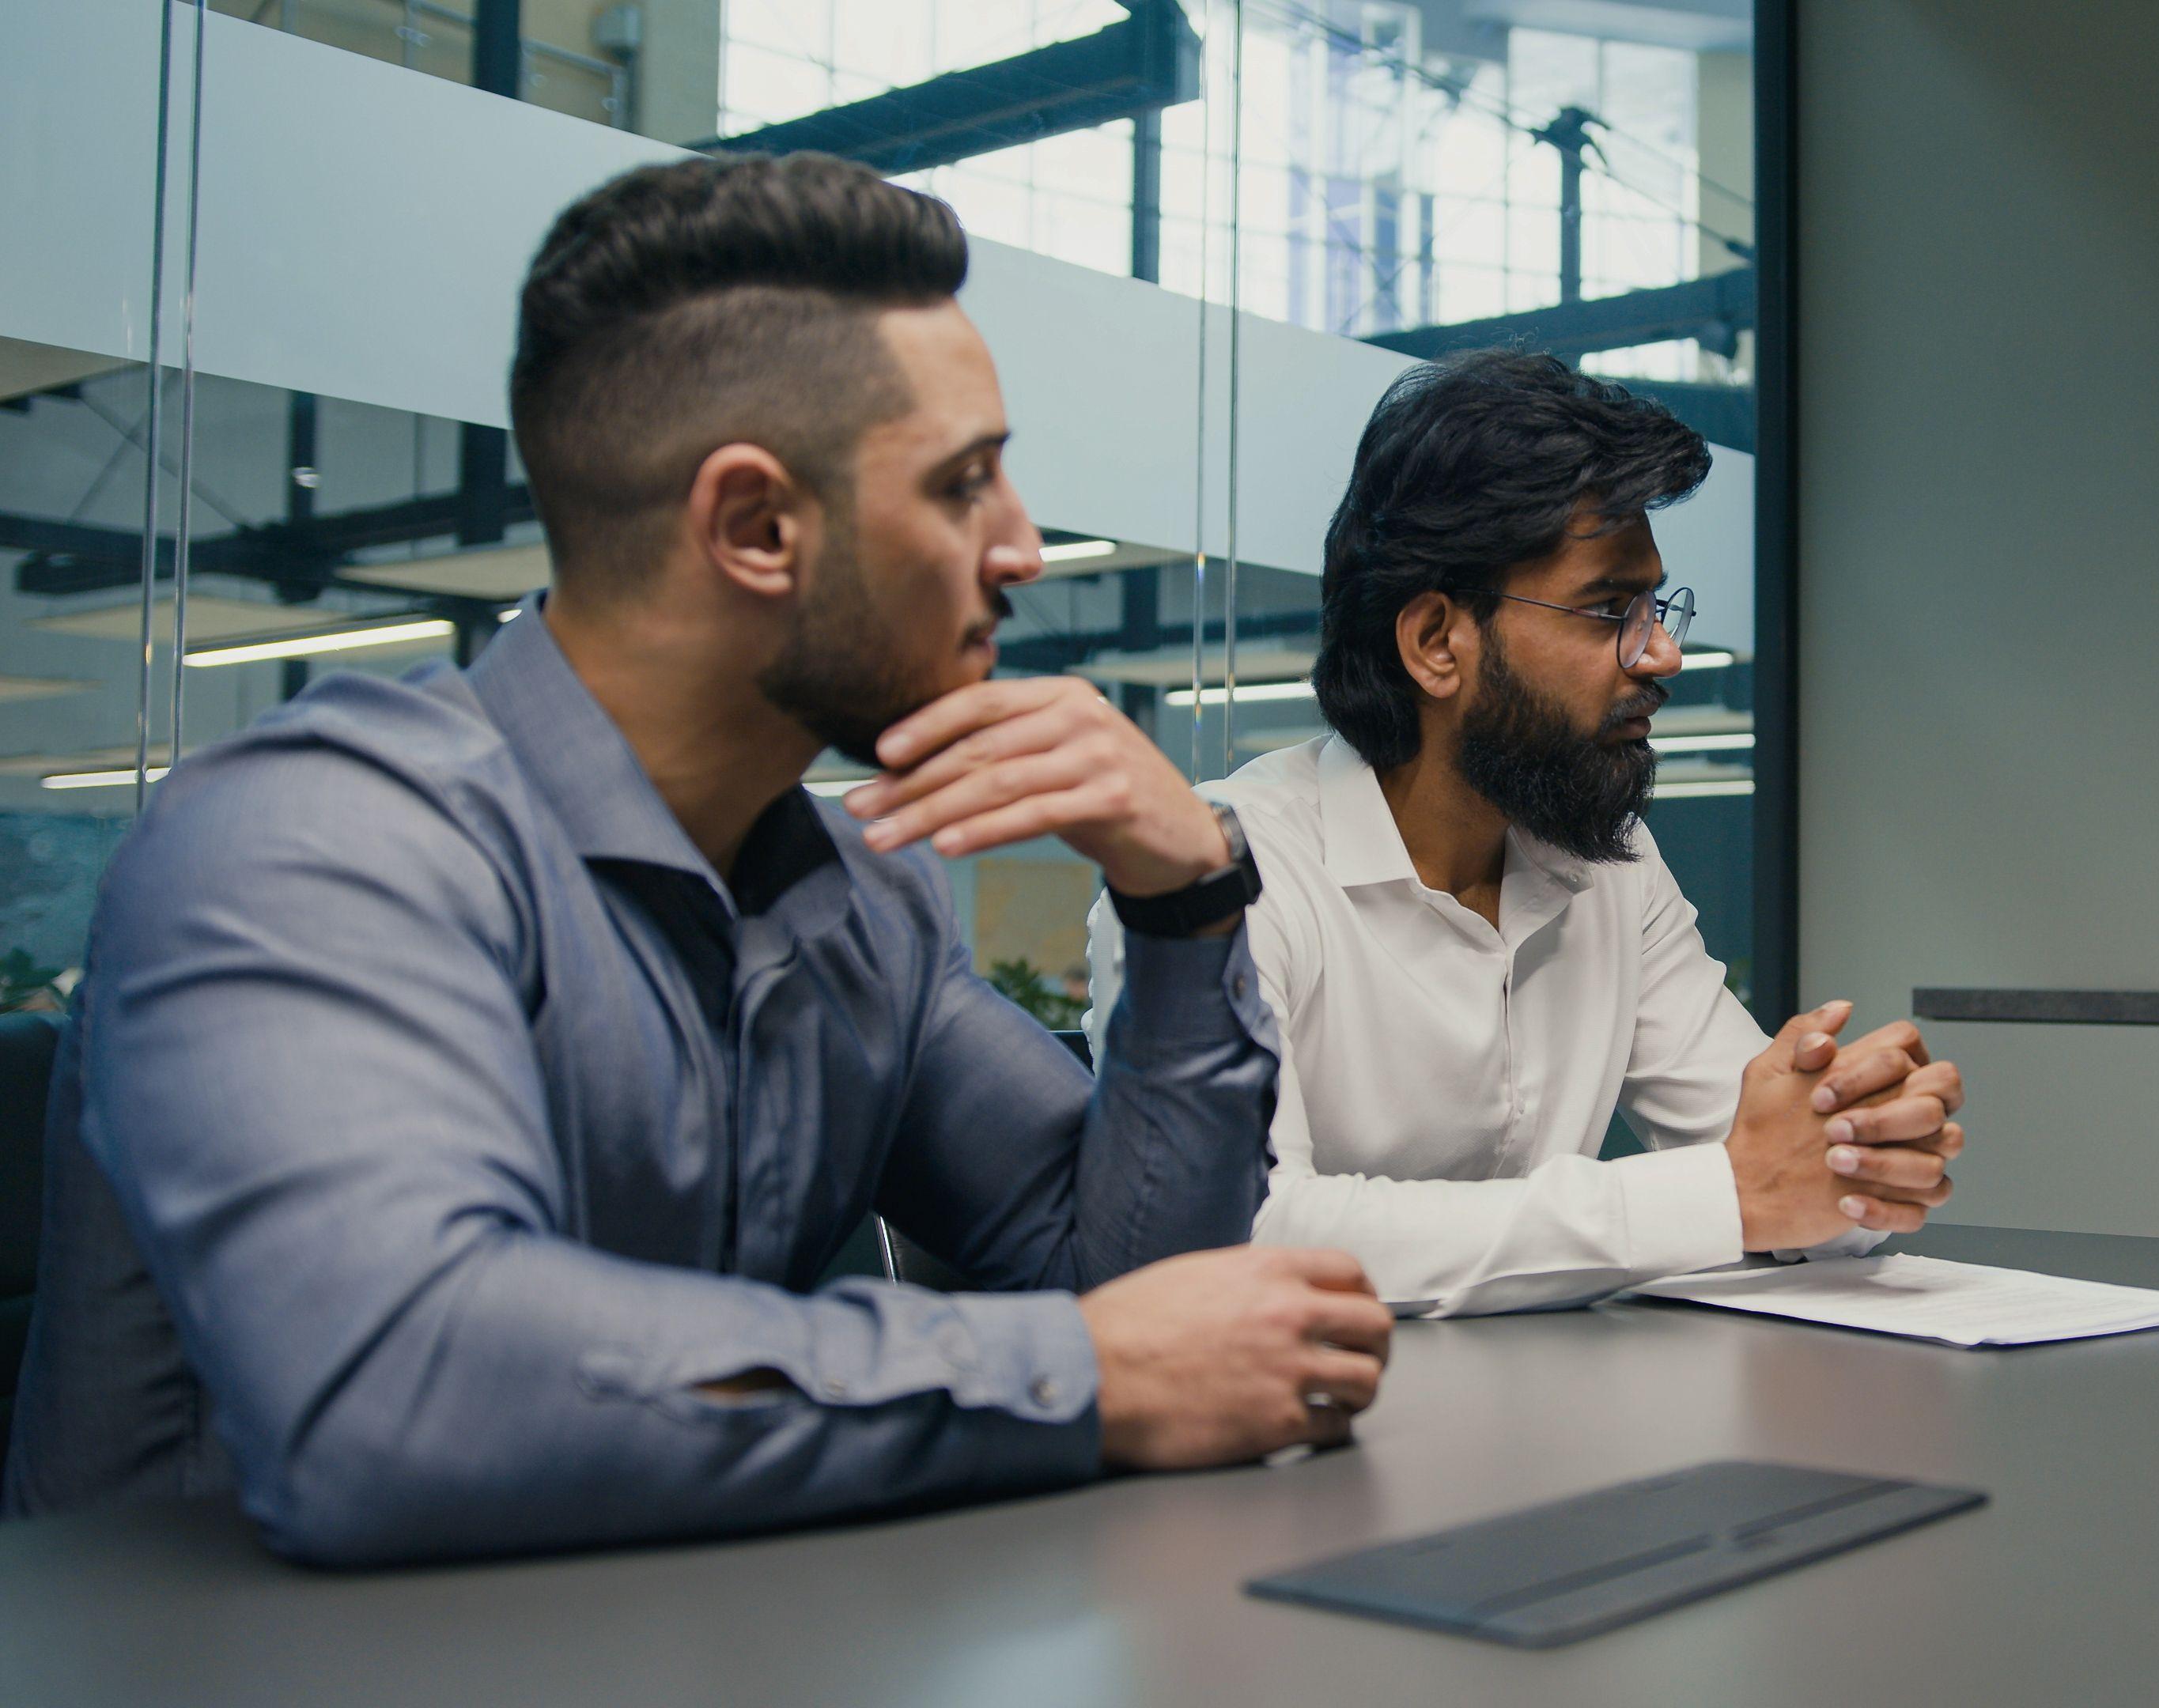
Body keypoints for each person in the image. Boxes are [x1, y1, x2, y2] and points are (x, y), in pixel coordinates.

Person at [2, 154, 1390, 1564]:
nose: (1024, 548)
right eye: (967, 483)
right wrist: (1081, 1373)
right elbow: (403, 1398)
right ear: (755, 528)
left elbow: (1147, 1299)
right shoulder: (310, 841)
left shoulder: (867, 898)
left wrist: (1185, 901)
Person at [1053, 351, 1967, 1316]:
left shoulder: (1605, 862)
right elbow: (1243, 1230)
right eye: (1610, 608)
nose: (1662, 652)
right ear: (1437, 642)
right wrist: (1730, 1195)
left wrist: (1855, 1151)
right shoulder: (1218, 879)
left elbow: (1766, 1163)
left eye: (1657, 606)